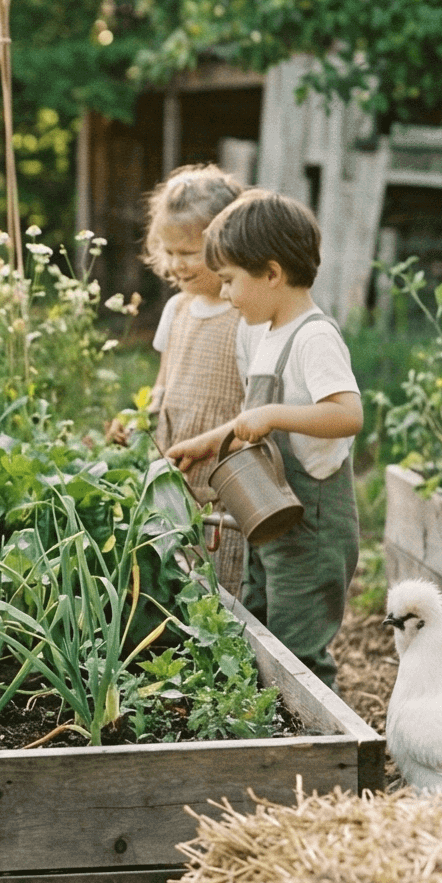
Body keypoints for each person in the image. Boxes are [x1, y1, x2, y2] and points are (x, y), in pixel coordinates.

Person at [164, 190, 364, 687]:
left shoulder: (313, 336)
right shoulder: (263, 332)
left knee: (300, 649)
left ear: (272, 273)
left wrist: (276, 414)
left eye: (231, 280)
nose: (226, 294)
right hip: (269, 519)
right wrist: (210, 441)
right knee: (259, 629)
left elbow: (348, 414)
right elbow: (252, 418)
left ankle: (323, 747)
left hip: (312, 528)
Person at [134, 165, 252, 594]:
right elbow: (162, 386)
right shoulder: (177, 310)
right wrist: (137, 423)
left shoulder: (245, 315)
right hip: (175, 462)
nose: (175, 265)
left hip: (224, 468)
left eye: (188, 253)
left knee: (223, 570)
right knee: (176, 563)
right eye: (168, 252)